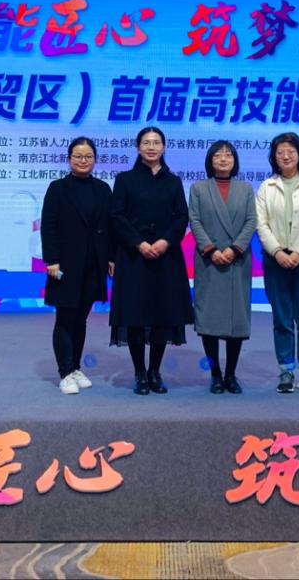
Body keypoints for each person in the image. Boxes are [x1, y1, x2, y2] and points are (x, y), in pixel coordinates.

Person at [109, 126, 193, 395]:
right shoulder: (125, 179)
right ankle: (139, 373)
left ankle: (155, 371)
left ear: (164, 147)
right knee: (135, 315)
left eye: (156, 142)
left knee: (161, 316)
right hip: (133, 256)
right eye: (146, 142)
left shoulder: (173, 181)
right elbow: (117, 216)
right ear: (138, 148)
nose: (151, 147)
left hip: (166, 257)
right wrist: (140, 243)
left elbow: (182, 217)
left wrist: (165, 241)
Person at [255, 132, 299, 395]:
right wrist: (277, 252)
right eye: (280, 152)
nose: (285, 156)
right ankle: (285, 371)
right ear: (273, 157)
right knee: (282, 318)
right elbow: (261, 224)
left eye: (291, 151)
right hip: (276, 261)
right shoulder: (266, 187)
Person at [40, 137, 113, 395]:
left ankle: (75, 368)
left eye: (88, 156)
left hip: (93, 264)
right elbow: (48, 226)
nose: (83, 161)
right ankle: (64, 372)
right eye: (78, 156)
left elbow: (110, 227)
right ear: (69, 159)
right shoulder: (58, 188)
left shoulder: (103, 189)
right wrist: (52, 259)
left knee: (81, 318)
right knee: (65, 317)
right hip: (65, 264)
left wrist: (111, 258)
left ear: (95, 159)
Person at [189, 140, 256, 394]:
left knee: (236, 320)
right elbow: (194, 220)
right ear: (210, 160)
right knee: (209, 319)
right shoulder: (198, 188)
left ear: (235, 161)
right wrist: (211, 249)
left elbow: (251, 221)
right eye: (218, 155)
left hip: (237, 260)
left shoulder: (246, 189)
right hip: (209, 260)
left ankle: (231, 374)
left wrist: (234, 248)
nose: (224, 159)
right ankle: (215, 374)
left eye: (229, 155)